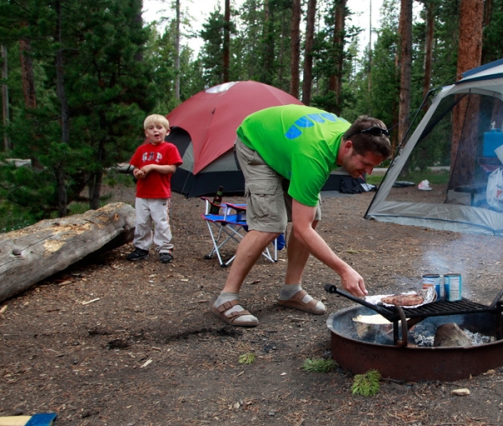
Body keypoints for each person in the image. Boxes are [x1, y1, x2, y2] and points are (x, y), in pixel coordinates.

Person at [212, 105, 393, 327]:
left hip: (289, 147)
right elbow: (301, 229)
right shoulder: (313, 155)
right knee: (269, 225)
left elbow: (305, 223)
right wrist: (344, 269)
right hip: (256, 142)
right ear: (348, 147)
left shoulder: (356, 135)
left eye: (374, 166)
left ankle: (291, 291)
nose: (368, 173)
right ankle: (226, 298)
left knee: (312, 215)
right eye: (365, 164)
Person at [126, 114, 183, 264]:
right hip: (142, 193)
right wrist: (137, 173)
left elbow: (171, 168)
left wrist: (151, 167)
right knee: (141, 222)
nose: (155, 131)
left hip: (160, 193)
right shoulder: (142, 149)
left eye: (159, 127)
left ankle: (165, 248)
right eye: (151, 128)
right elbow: (136, 167)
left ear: (167, 131)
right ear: (146, 133)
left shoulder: (169, 148)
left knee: (160, 222)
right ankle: (141, 248)